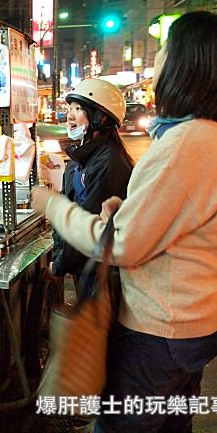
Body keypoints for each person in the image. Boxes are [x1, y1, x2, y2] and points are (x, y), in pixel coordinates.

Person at [32, 11, 217, 432]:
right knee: (171, 423)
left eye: (166, 49)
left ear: (187, 64)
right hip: (202, 318)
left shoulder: (185, 142)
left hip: (161, 330)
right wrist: (126, 207)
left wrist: (51, 205)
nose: (159, 59)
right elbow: (184, 217)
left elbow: (121, 246)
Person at [50, 78, 133, 293]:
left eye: (78, 109)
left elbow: (85, 224)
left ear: (100, 117)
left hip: (100, 270)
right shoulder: (80, 159)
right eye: (70, 108)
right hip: (85, 266)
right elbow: (65, 209)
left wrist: (59, 265)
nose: (69, 115)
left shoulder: (109, 163)